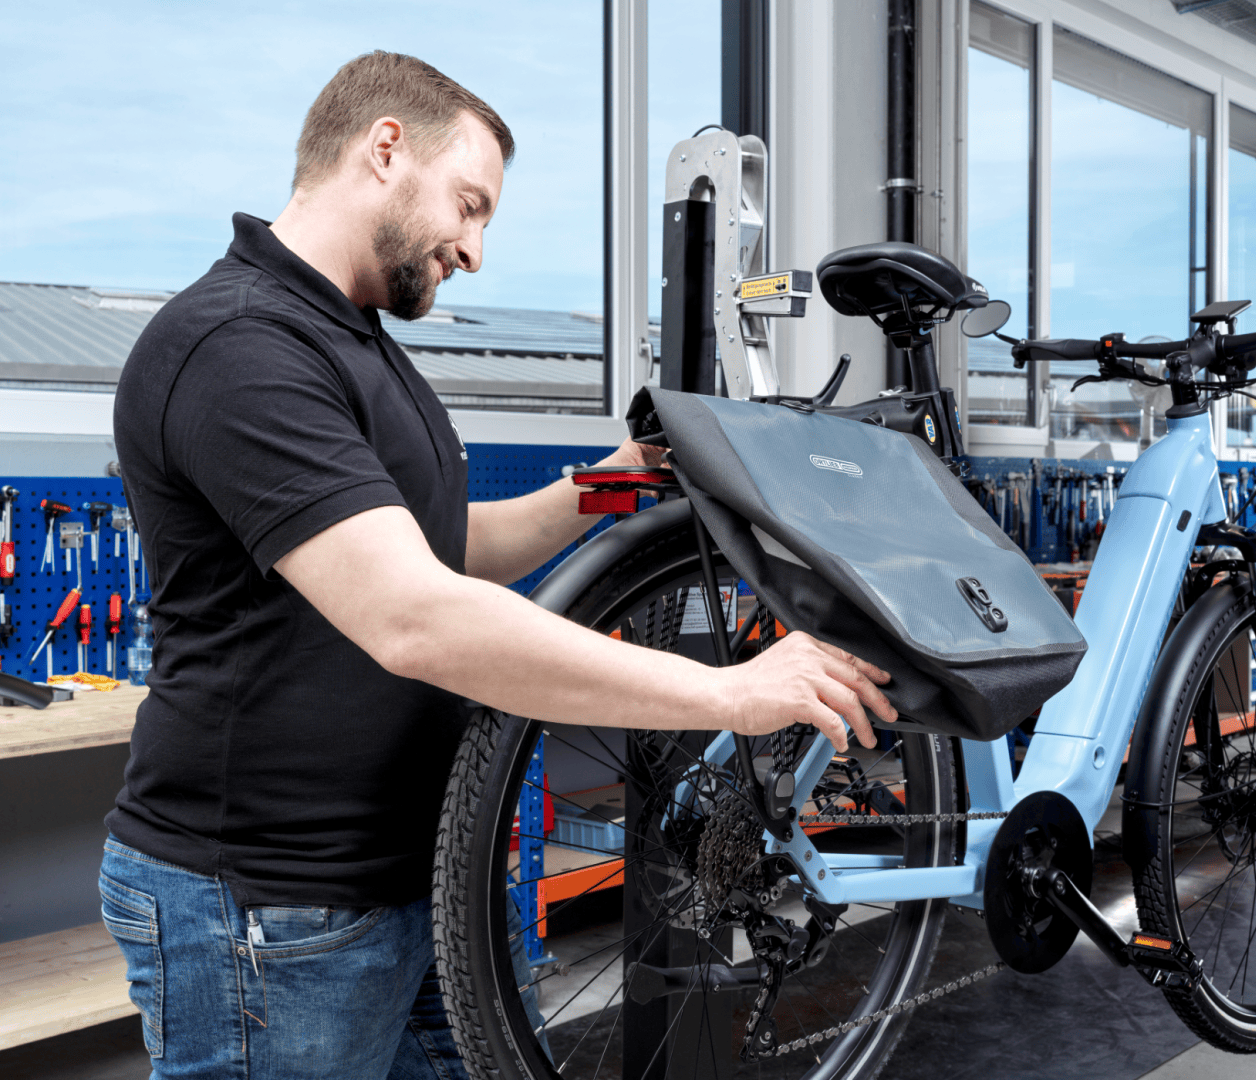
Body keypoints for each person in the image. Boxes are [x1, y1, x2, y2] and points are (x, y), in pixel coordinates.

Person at [101, 51, 896, 1079]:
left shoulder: (355, 339)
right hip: (267, 911)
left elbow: (444, 540)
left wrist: (623, 481)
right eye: (468, 205)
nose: (473, 250)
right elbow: (415, 614)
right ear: (384, 149)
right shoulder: (239, 346)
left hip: (407, 885)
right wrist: (729, 693)